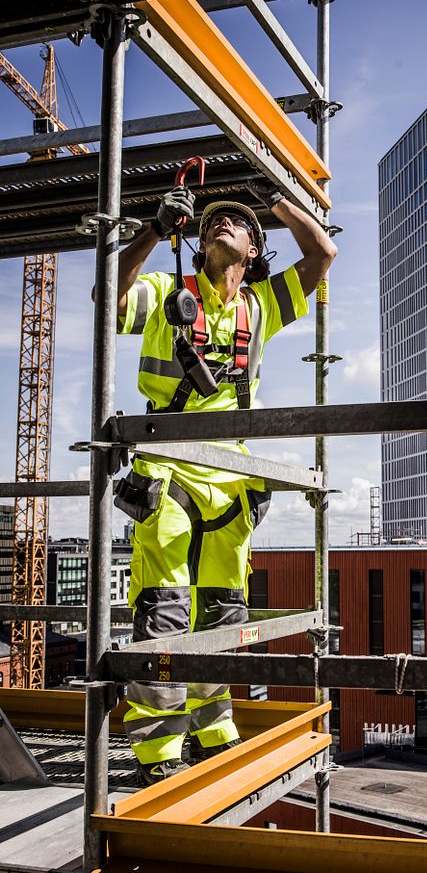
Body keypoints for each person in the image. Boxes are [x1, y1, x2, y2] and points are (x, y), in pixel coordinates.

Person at [112, 177, 336, 785]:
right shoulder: (166, 291)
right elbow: (110, 296)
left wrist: (278, 201)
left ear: (254, 252)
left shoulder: (260, 305)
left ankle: (212, 731)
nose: (219, 224)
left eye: (234, 223)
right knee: (164, 607)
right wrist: (155, 231)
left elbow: (322, 254)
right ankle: (157, 754)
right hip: (167, 464)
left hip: (232, 476)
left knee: (221, 612)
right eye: (211, 220)